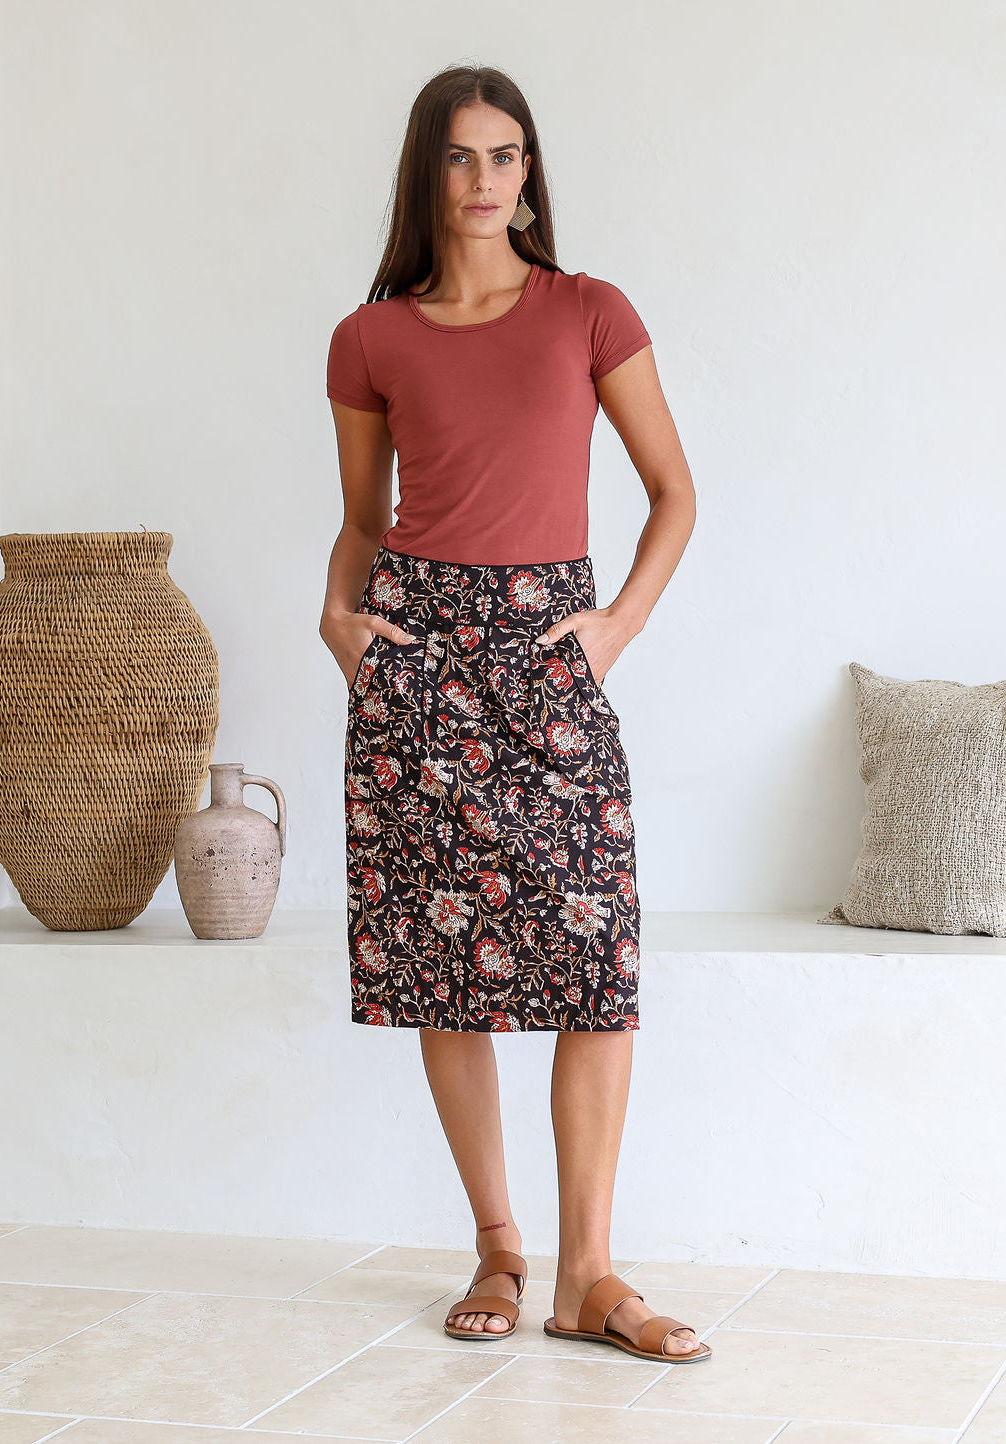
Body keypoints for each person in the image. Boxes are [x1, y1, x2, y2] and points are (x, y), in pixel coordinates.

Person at [319, 65, 705, 1363]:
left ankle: (589, 1275)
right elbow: (367, 522)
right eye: (464, 158)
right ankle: (497, 1246)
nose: (489, 181)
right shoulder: (370, 338)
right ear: (427, 173)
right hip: (419, 663)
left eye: (510, 156)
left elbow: (673, 495)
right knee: (452, 975)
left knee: (596, 972)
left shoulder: (588, 312)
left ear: (531, 174)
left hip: (550, 661)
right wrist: (339, 620)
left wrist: (617, 628)